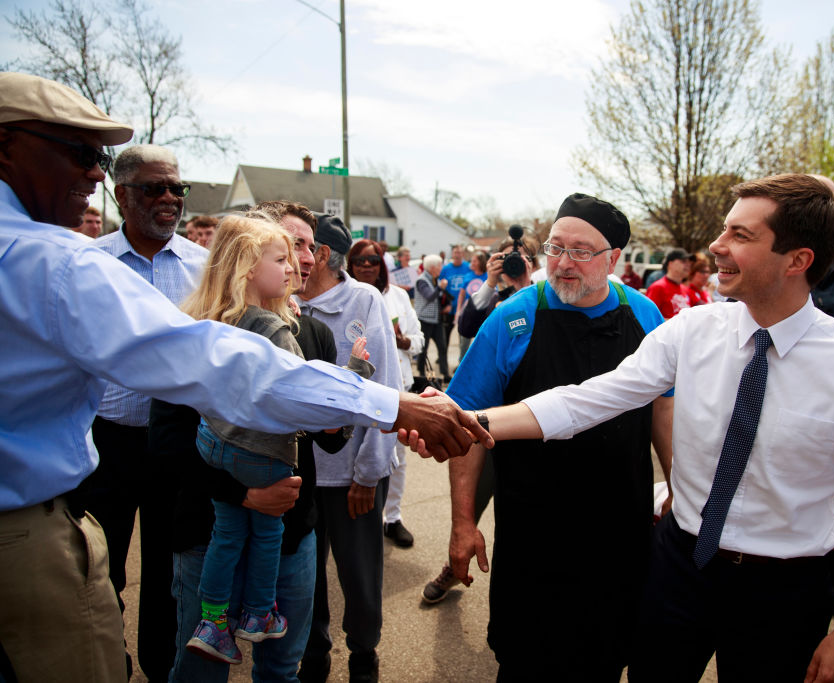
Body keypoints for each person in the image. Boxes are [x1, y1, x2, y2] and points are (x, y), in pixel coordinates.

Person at [0, 72, 489, 683]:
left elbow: (321, 430)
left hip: (287, 528)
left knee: (279, 650)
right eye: (80, 152)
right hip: (80, 517)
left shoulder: (313, 328)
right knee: (188, 643)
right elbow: (218, 371)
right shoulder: (51, 262)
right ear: (8, 147)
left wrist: (359, 407)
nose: (96, 173)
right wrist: (395, 404)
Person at [408, 175, 834, 682]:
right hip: (680, 567)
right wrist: (466, 419)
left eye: (741, 235)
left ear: (797, 260)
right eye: (723, 230)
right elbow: (586, 401)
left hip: (784, 589)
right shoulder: (691, 332)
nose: (716, 246)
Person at [443, 193, 673, 680]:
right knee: (527, 659)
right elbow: (466, 424)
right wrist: (463, 523)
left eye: (582, 251)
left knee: (605, 658)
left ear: (614, 259)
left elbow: (664, 408)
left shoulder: (646, 317)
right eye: (555, 248)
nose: (564, 264)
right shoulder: (512, 318)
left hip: (619, 530)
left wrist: (679, 488)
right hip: (533, 533)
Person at [160, 198, 349, 682]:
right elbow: (168, 440)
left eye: (306, 247)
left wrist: (334, 417)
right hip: (209, 528)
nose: (303, 260)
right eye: (287, 249)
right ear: (245, 259)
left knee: (282, 666)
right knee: (201, 669)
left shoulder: (312, 333)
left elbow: (331, 440)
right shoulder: (192, 332)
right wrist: (245, 495)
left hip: (291, 534)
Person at [79, 143, 209, 682]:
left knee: (167, 573)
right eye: (154, 188)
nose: (169, 199)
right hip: (103, 444)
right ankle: (110, 664)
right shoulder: (90, 264)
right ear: (120, 194)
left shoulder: (205, 268)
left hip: (176, 445)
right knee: (96, 573)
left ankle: (162, 668)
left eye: (176, 188)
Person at [297, 214, 404, 683]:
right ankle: (313, 650)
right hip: (299, 471)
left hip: (351, 474)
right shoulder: (282, 299)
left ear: (320, 254)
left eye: (300, 246)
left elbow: (385, 387)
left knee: (359, 576)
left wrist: (368, 472)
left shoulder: (363, 300)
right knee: (304, 575)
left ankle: (364, 653)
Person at [421, 232, 539, 605]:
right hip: (487, 425)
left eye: (518, 258)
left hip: (531, 427)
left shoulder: (546, 300)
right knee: (468, 506)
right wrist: (492, 282)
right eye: (503, 258)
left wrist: (524, 284)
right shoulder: (491, 296)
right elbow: (467, 325)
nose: (511, 264)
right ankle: (454, 565)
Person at [347, 239, 425, 549]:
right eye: (359, 260)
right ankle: (357, 516)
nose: (366, 266)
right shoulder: (344, 296)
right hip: (356, 391)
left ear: (382, 265)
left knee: (397, 456)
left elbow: (419, 338)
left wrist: (405, 342)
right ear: (350, 265)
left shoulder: (399, 297)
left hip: (397, 390)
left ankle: (391, 517)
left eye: (373, 260)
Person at [414, 254, 450, 382]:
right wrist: (441, 287)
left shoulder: (435, 279)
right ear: (432, 267)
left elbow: (438, 298)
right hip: (424, 319)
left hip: (436, 319)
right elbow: (429, 296)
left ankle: (445, 374)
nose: (441, 268)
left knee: (442, 346)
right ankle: (421, 372)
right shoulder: (422, 280)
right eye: (440, 266)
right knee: (423, 348)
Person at [455, 250, 488, 360]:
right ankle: (461, 363)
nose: (471, 263)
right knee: (464, 341)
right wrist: (458, 310)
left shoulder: (488, 276)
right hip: (468, 311)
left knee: (481, 341)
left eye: (474, 261)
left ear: (480, 262)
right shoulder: (468, 276)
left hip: (483, 312)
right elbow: (462, 294)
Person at [439, 244, 472, 353]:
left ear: (463, 254)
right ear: (452, 254)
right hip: (450, 307)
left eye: (459, 253)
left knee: (463, 338)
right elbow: (440, 287)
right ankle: (442, 357)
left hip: (464, 307)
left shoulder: (468, 267)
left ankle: (461, 359)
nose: (457, 255)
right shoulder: (446, 269)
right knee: (445, 336)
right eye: (455, 253)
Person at [645, 249, 692, 318]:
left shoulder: (685, 289)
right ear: (670, 264)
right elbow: (648, 316)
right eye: (683, 261)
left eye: (689, 262)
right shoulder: (658, 287)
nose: (688, 265)